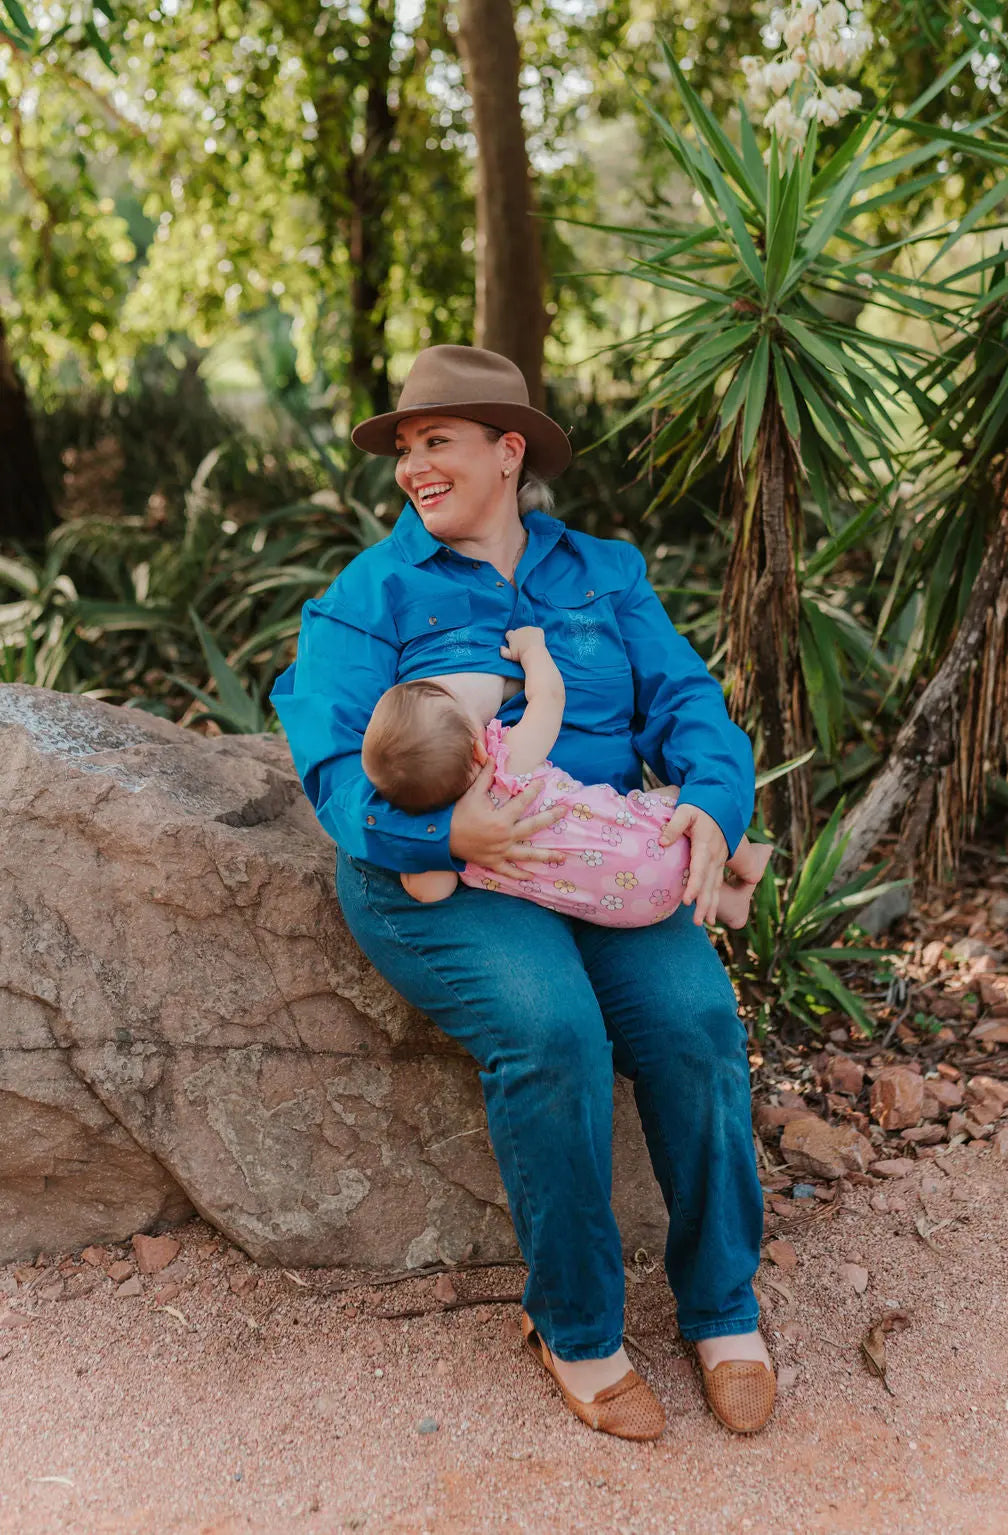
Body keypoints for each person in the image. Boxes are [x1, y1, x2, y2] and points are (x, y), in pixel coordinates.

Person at [271, 344, 776, 1440]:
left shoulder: (603, 572)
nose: (413, 465)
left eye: (436, 441)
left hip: (588, 857)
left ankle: (722, 1304)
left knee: (694, 1019)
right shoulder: (369, 595)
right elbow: (333, 765)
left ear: (508, 451)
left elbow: (687, 699)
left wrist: (711, 802)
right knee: (552, 1030)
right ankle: (578, 1327)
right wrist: (443, 826)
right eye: (405, 448)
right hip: (447, 876)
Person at [360, 624, 773, 927]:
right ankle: (747, 862)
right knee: (684, 800)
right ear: (477, 749)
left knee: (665, 864)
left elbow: (429, 891)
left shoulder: (458, 843)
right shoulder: (507, 762)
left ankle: (728, 905)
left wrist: (428, 836)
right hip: (657, 838)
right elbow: (549, 697)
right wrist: (532, 650)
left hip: (623, 912)